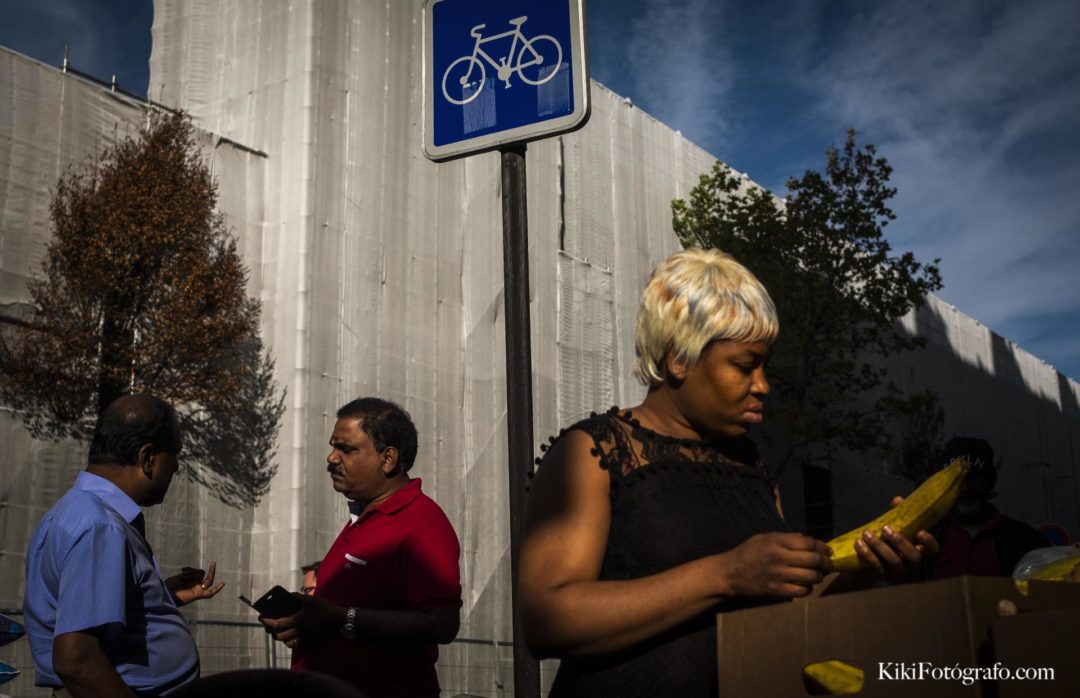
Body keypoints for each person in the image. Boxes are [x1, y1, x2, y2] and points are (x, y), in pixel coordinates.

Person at [519, 248, 936, 697]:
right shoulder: (594, 451)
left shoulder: (751, 468)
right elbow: (547, 619)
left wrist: (867, 570)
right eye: (744, 365)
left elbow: (782, 612)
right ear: (679, 358)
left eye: (765, 366)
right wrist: (725, 575)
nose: (763, 385)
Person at [24, 394, 224, 697]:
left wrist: (163, 596)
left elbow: (93, 618)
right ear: (146, 458)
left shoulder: (78, 513)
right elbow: (76, 659)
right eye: (175, 455)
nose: (177, 467)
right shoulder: (99, 527)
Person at [261, 397, 461, 698]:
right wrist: (303, 617)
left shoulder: (423, 522)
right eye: (333, 446)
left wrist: (340, 618)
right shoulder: (362, 517)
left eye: (347, 449)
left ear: (388, 458)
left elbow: (442, 624)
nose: (331, 458)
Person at [929, 437, 1049, 579]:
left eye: (974, 478)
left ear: (989, 482)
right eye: (958, 481)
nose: (966, 488)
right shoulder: (926, 539)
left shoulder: (1024, 539)